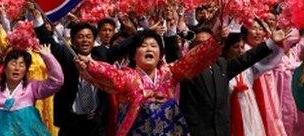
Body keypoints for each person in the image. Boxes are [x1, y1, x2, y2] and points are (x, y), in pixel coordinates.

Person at [77, 20, 227, 136]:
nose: (149, 48)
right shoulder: (128, 76)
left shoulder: (170, 73)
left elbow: (192, 60)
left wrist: (214, 41)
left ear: (160, 55)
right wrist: (90, 64)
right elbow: (110, 73)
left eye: (154, 46)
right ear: (134, 55)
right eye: (143, 46)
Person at [179, 25, 277, 136]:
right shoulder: (186, 70)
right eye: (199, 44)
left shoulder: (222, 65)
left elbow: (248, 57)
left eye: (208, 43)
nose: (204, 47)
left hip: (222, 131)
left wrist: (270, 43)